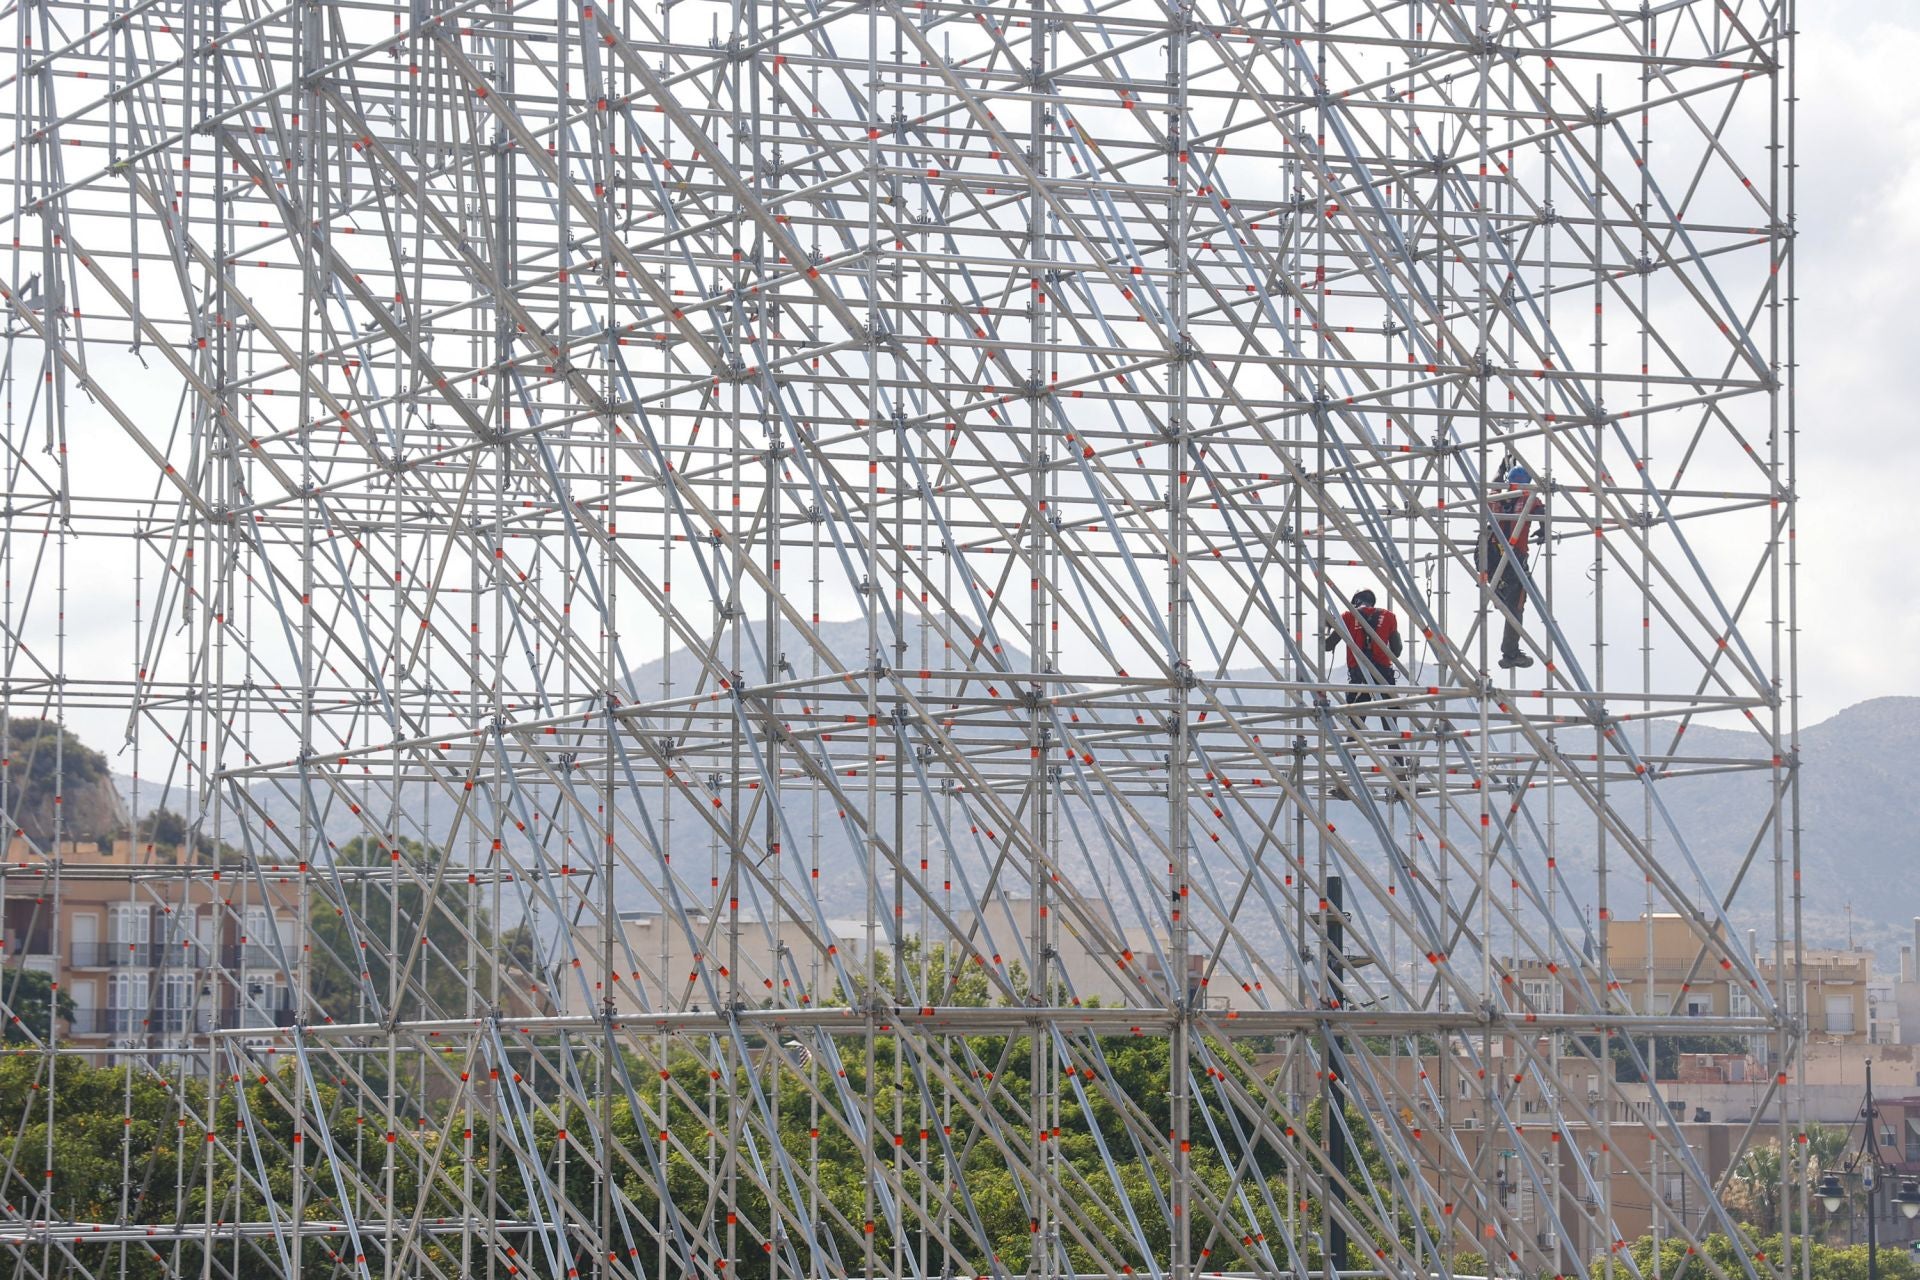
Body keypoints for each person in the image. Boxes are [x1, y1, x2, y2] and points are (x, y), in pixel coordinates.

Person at [1482, 464, 1546, 669]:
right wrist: (1543, 530)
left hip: (1490, 556)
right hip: (1513, 557)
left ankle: (1509, 650)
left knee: (1501, 598)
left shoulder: (1496, 499)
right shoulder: (1529, 498)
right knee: (1515, 607)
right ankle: (1510, 653)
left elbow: (1493, 485)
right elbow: (1543, 512)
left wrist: (1500, 469)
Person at [1323, 589, 1401, 731]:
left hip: (1359, 677)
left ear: (1356, 602)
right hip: (1383, 674)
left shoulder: (1347, 617)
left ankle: (1350, 753)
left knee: (1355, 729)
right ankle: (1395, 752)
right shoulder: (1389, 616)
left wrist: (1325, 627)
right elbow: (1397, 651)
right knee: (1391, 728)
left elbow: (1327, 646)